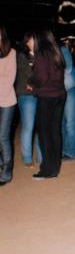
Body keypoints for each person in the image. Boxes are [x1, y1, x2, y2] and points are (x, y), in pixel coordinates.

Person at [29, 30, 66, 180]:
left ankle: (47, 169)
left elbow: (42, 77)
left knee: (44, 134)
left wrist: (32, 84)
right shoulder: (56, 51)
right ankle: (54, 168)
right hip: (59, 95)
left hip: (47, 97)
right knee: (54, 132)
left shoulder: (41, 53)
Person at [15, 31, 42, 167]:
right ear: (26, 42)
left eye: (36, 39)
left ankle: (40, 157)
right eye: (31, 40)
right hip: (26, 95)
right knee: (29, 126)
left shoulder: (42, 55)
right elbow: (29, 74)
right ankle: (26, 158)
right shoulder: (21, 56)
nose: (34, 42)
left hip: (40, 94)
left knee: (40, 126)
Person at [0, 25, 17, 186]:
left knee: (3, 137)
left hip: (6, 101)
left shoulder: (11, 53)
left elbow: (9, 78)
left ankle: (6, 173)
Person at [61, 43, 75, 161]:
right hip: (58, 89)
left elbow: (67, 69)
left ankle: (71, 152)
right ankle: (64, 149)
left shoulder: (63, 50)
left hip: (69, 88)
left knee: (70, 121)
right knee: (62, 122)